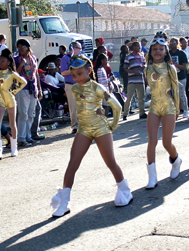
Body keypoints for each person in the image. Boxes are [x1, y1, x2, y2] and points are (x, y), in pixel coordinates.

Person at [50, 55, 131, 217]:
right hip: (84, 129)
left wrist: (112, 126)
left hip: (101, 128)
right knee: (72, 163)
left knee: (110, 162)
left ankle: (125, 190)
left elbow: (116, 106)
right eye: (73, 75)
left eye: (79, 73)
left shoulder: (98, 87)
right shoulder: (74, 89)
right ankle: (65, 202)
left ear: (89, 70)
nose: (76, 78)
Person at [144, 33, 182, 189]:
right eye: (155, 49)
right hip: (154, 106)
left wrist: (178, 109)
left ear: (166, 51)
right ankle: (152, 178)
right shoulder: (147, 68)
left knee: (167, 143)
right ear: (150, 51)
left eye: (161, 49)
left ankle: (176, 160)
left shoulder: (170, 68)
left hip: (168, 106)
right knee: (151, 141)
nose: (157, 51)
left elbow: (176, 89)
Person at [0, 49, 27, 158]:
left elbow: (24, 82)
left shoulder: (12, 73)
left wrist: (15, 91)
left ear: (8, 62)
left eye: (3, 61)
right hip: (1, 100)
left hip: (10, 99)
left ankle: (14, 148)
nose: (0, 63)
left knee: (12, 124)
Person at [14, 39, 41, 146]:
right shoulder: (16, 59)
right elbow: (15, 73)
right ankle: (21, 138)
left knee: (31, 114)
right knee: (23, 114)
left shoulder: (33, 58)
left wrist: (39, 89)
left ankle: (28, 136)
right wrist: (21, 64)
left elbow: (36, 75)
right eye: (19, 47)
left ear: (28, 47)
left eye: (22, 47)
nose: (20, 49)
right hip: (22, 89)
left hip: (32, 88)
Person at [60, 41, 82, 133]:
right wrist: (74, 70)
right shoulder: (65, 58)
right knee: (73, 107)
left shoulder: (81, 58)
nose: (80, 50)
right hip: (70, 85)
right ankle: (75, 126)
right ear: (73, 48)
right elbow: (63, 72)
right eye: (78, 48)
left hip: (80, 84)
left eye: (80, 48)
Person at [123, 41, 147, 120]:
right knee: (129, 97)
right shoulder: (128, 57)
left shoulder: (142, 57)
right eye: (137, 46)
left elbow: (144, 64)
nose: (139, 48)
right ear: (133, 47)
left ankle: (142, 113)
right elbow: (125, 68)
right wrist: (133, 72)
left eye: (139, 46)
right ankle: (125, 113)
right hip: (132, 80)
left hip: (140, 79)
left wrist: (144, 67)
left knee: (141, 97)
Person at [168, 37, 189, 118]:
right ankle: (174, 111)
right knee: (172, 94)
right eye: (170, 43)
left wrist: (175, 65)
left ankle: (186, 110)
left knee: (182, 93)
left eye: (173, 43)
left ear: (177, 44)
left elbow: (185, 67)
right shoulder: (167, 53)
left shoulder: (181, 53)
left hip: (181, 76)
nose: (171, 44)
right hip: (171, 77)